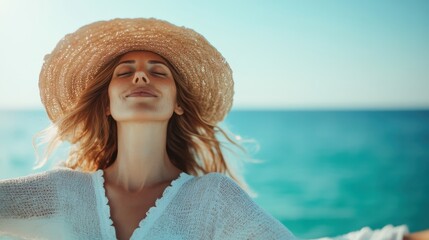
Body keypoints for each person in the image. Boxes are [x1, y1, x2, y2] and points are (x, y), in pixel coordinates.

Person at [0, 18, 427, 240]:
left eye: (158, 71)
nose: (141, 77)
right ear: (107, 105)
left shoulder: (212, 201)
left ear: (179, 103)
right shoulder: (58, 192)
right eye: (125, 72)